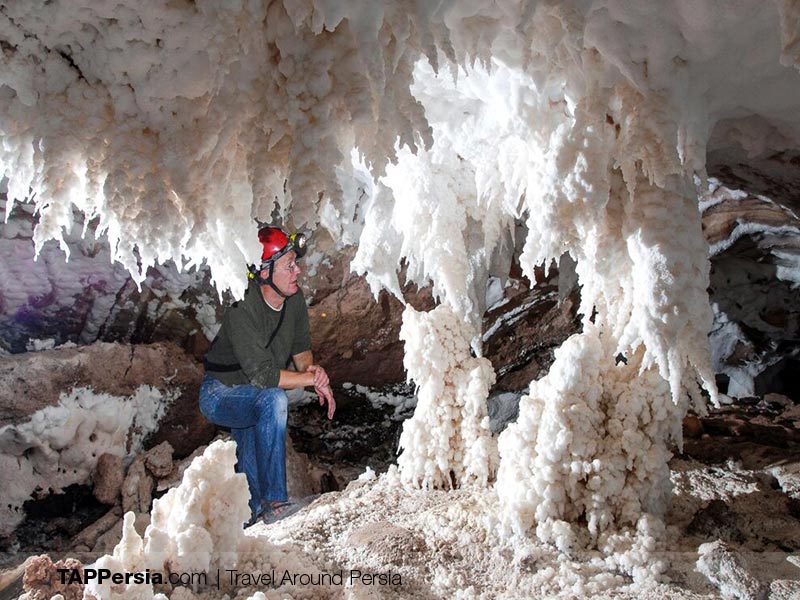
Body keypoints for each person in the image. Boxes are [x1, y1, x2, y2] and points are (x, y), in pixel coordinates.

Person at [199, 226, 335, 525]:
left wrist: (314, 373)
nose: (297, 271)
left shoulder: (294, 300)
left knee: (255, 423)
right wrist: (310, 381)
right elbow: (263, 375)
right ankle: (275, 503)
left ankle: (251, 515)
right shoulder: (242, 308)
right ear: (264, 274)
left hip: (251, 392)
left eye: (295, 264)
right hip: (219, 393)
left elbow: (301, 352)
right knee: (271, 399)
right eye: (289, 266)